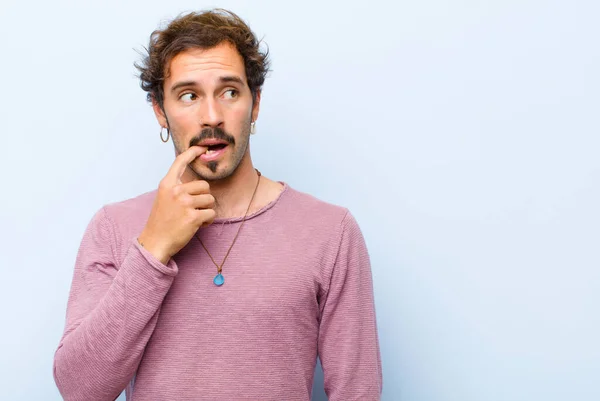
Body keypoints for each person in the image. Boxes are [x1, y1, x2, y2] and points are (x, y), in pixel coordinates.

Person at [53, 8, 382, 401]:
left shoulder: (331, 232)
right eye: (188, 95)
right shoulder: (113, 228)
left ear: (255, 103)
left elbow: (357, 391)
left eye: (229, 91)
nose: (212, 116)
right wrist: (153, 249)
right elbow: (79, 389)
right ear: (161, 111)